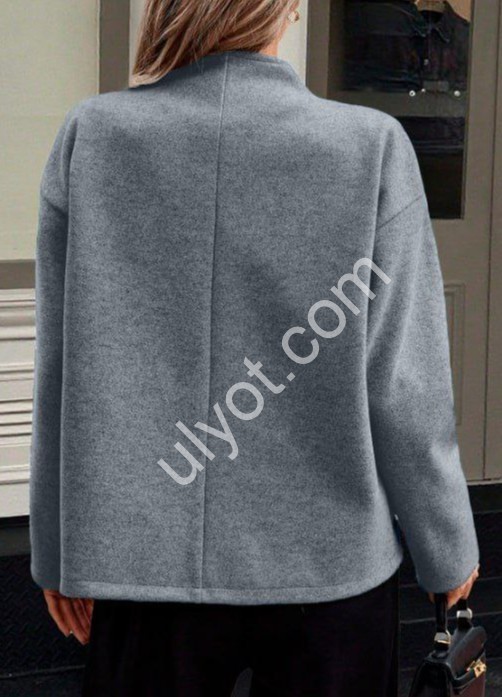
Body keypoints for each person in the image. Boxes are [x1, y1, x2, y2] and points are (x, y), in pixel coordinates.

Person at [30, 1, 480, 695]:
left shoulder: (93, 136)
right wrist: (445, 544)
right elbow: (402, 382)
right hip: (329, 565)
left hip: (145, 566)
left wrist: (58, 549)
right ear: (291, 10)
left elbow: (60, 368)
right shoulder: (369, 146)